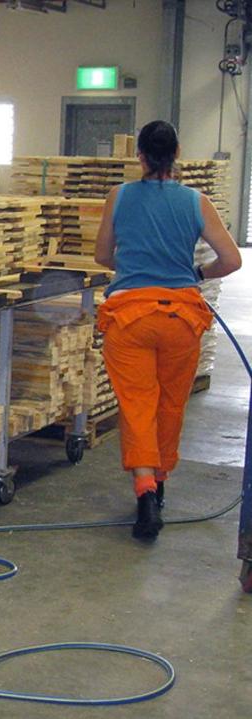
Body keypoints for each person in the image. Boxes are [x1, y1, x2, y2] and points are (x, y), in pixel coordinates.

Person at [94, 120, 241, 540]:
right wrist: (195, 270)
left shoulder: (118, 196)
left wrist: (135, 265)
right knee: (171, 404)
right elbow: (231, 261)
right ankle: (159, 485)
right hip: (181, 317)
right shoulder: (197, 201)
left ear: (139, 157)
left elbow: (103, 255)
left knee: (138, 404)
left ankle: (143, 489)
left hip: (130, 318)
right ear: (177, 154)